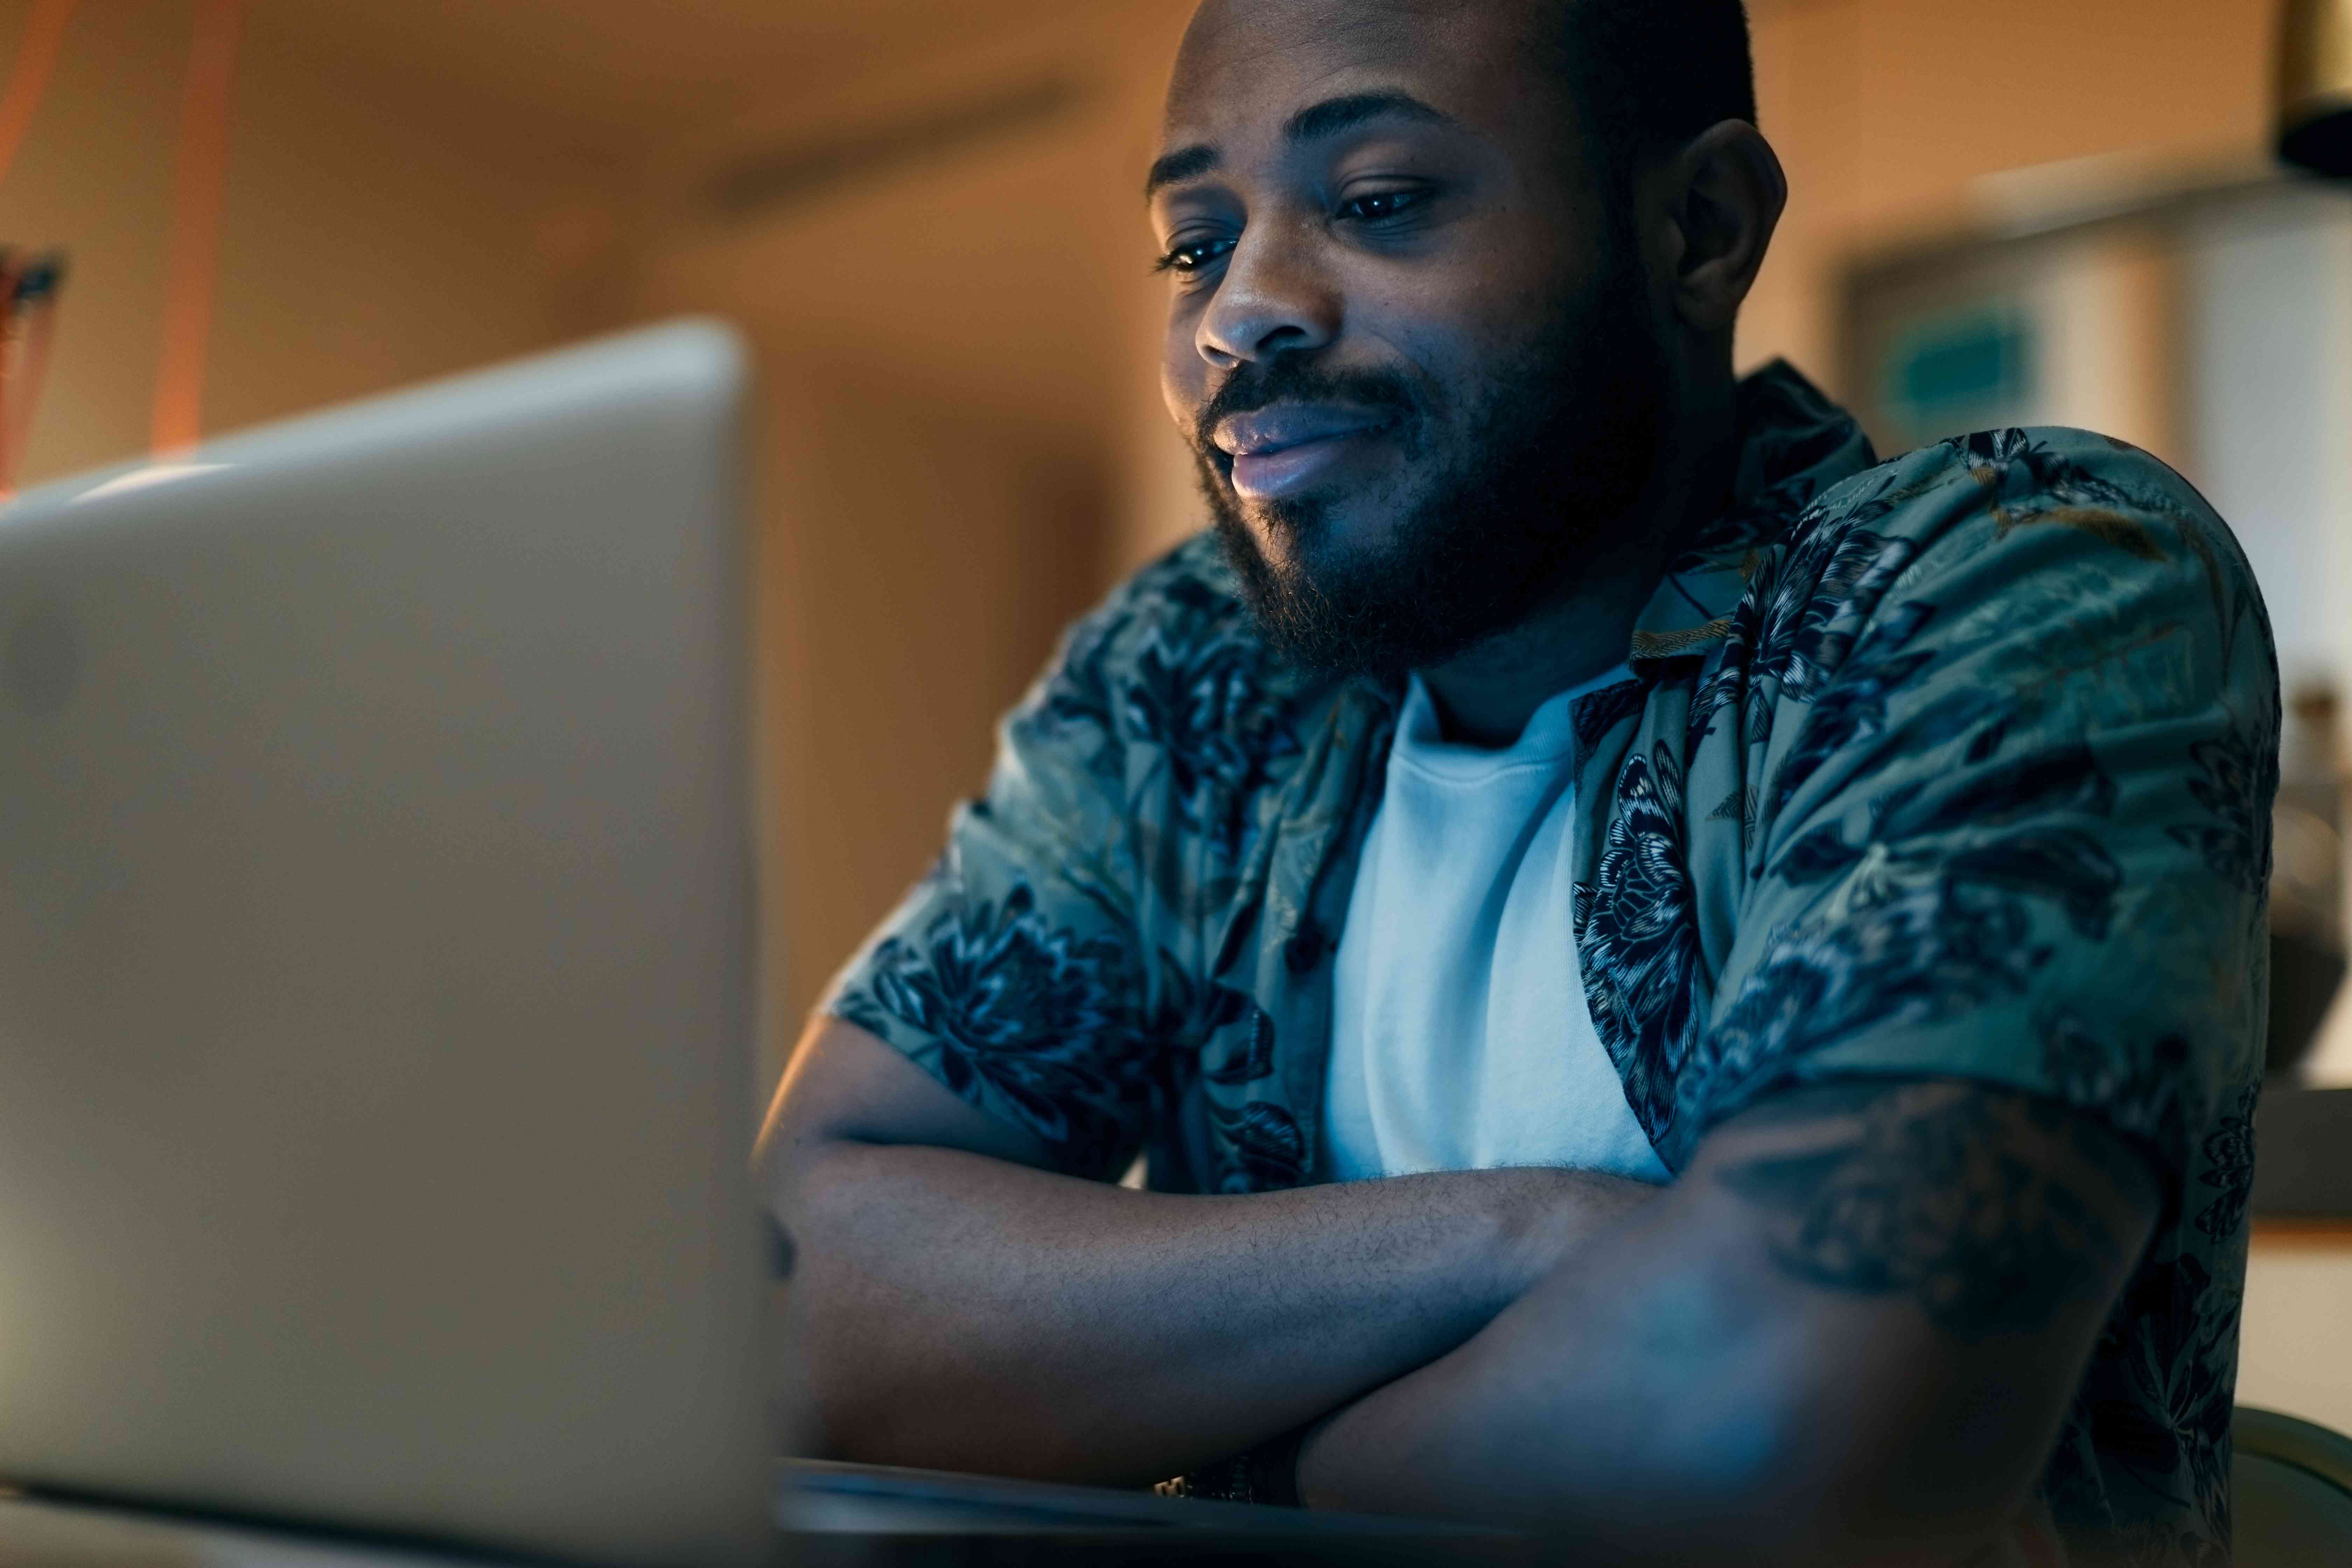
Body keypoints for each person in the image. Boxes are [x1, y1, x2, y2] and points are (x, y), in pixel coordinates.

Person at [757, 1, 2274, 1562]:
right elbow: (790, 1298)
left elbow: (1783, 1422)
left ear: (1699, 228)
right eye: (1193, 242)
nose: (1241, 312)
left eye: (1380, 200)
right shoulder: (1192, 677)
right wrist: (1520, 1235)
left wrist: (1201, 1457)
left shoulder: (2016, 583)